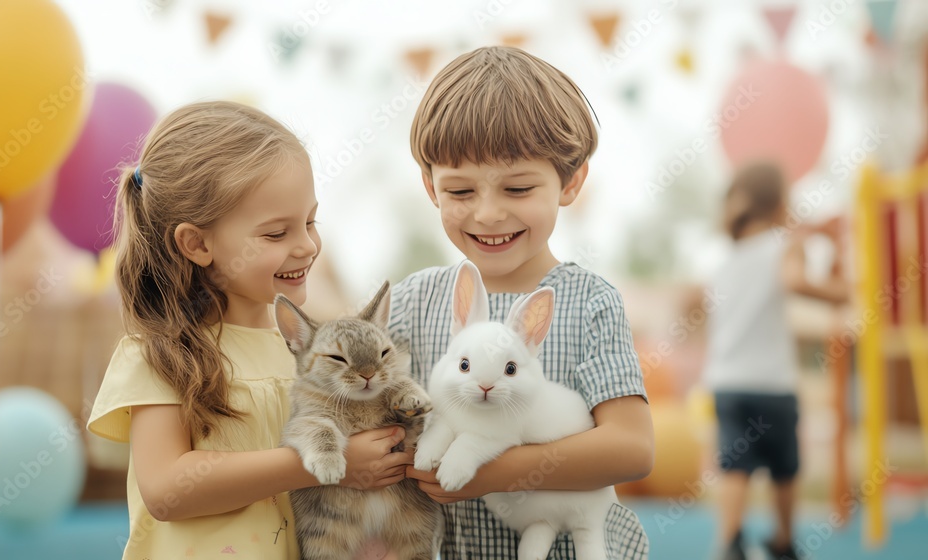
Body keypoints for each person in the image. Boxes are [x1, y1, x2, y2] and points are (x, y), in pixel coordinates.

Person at [86, 101, 411, 560]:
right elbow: (165, 489)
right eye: (276, 234)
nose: (306, 246)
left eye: (310, 222)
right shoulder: (160, 354)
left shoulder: (309, 357)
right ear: (196, 243)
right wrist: (318, 465)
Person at [393, 46, 653, 559]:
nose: (488, 214)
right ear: (430, 188)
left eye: (517, 188)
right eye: (461, 191)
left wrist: (487, 471)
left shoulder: (589, 302)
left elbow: (631, 448)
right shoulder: (411, 301)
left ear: (570, 182)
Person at [702, 162, 850, 560]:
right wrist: (842, 290)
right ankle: (784, 539)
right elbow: (795, 281)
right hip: (772, 384)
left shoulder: (726, 260)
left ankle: (729, 540)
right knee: (785, 466)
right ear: (781, 202)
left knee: (734, 462)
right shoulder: (785, 245)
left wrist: (809, 231)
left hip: (727, 383)